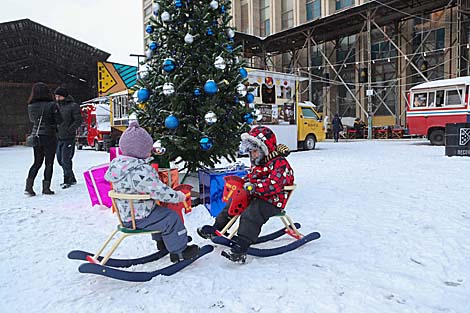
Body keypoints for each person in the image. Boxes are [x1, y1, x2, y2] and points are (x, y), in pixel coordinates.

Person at [104, 121, 199, 263]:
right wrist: (177, 196)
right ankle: (179, 252)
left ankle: (163, 242)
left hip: (127, 214)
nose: (150, 152)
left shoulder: (118, 166)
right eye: (148, 149)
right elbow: (158, 190)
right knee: (171, 218)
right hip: (140, 217)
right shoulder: (139, 170)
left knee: (160, 211)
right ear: (140, 150)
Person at [198, 126, 294, 263]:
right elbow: (251, 177)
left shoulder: (280, 164)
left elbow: (274, 184)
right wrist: (243, 183)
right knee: (234, 201)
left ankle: (242, 245)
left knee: (252, 212)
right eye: (251, 152)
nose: (252, 156)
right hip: (255, 195)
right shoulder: (259, 164)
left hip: (272, 201)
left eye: (255, 152)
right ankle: (218, 227)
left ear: (264, 150)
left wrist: (254, 187)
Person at [25, 82, 63, 196]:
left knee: (37, 162)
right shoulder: (52, 105)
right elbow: (59, 120)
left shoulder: (30, 106)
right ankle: (46, 188)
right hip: (49, 135)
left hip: (36, 135)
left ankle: (29, 187)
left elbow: (32, 120)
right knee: (49, 163)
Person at [54, 87, 82, 189]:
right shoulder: (56, 106)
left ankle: (67, 179)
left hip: (69, 137)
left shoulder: (73, 106)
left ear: (64, 96)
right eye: (56, 96)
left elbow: (78, 120)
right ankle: (72, 178)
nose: (57, 98)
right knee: (60, 159)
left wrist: (70, 130)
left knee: (66, 159)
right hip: (59, 137)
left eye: (59, 96)